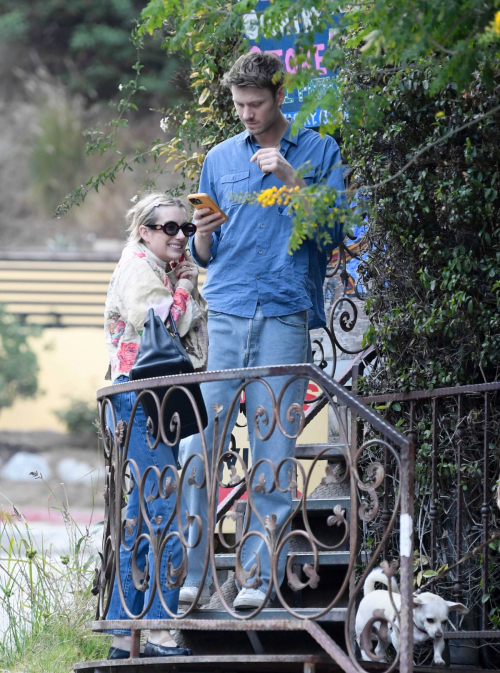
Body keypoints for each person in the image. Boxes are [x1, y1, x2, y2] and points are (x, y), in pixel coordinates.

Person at [179, 51, 345, 610]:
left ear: (279, 96)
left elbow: (332, 233)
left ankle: (255, 575)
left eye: (255, 103)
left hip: (282, 313)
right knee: (201, 450)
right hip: (225, 311)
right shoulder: (220, 157)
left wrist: (290, 178)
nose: (246, 114)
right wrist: (201, 233)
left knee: (272, 455)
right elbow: (207, 254)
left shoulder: (320, 151)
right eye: (238, 105)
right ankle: (195, 576)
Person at [103, 192, 207, 658]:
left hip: (150, 399)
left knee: (142, 514)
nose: (181, 236)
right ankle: (159, 627)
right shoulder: (137, 267)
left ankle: (126, 631)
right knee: (160, 508)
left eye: (185, 228)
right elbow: (159, 321)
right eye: (169, 227)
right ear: (145, 230)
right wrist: (185, 289)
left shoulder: (160, 270)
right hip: (140, 400)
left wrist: (184, 284)